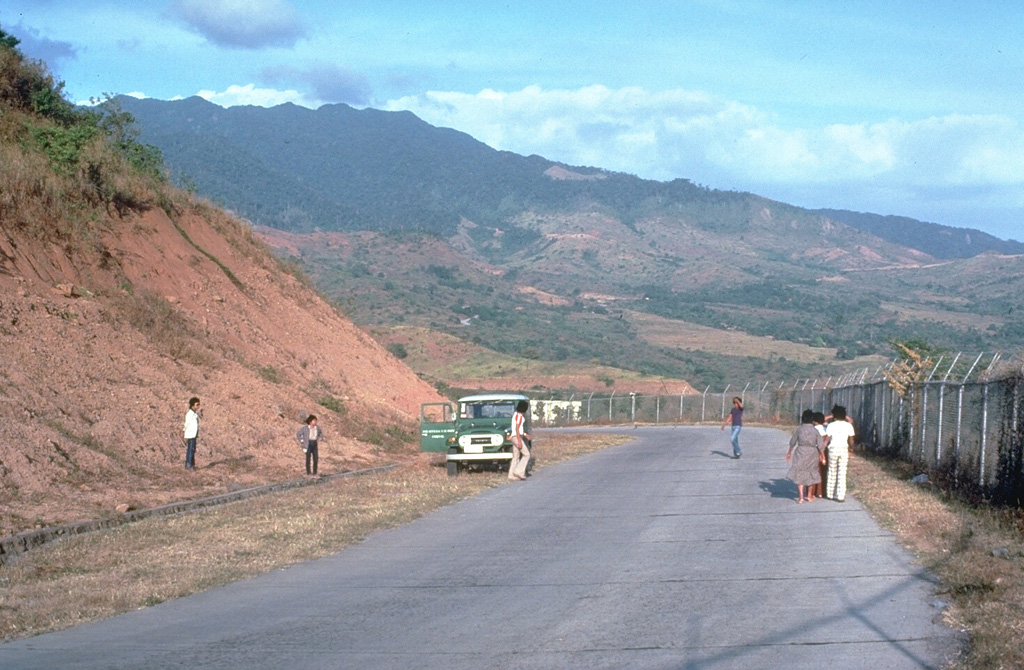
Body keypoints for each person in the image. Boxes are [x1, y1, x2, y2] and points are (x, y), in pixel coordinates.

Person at [787, 409, 825, 503]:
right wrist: (822, 456)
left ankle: (800, 498)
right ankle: (809, 496)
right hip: (812, 452)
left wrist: (789, 452)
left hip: (800, 451)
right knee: (811, 472)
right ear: (812, 420)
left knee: (800, 473)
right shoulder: (815, 430)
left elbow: (792, 442)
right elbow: (820, 445)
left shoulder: (799, 430)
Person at [824, 405, 856, 502]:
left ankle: (829, 493)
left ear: (834, 415)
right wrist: (851, 449)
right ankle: (840, 496)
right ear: (845, 415)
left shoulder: (831, 425)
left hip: (833, 449)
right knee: (842, 472)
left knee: (831, 471)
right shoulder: (848, 425)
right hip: (843, 449)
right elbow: (851, 440)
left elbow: (827, 439)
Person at [508, 400, 531, 481]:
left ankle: (511, 474)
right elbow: (517, 428)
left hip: (514, 436)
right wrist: (519, 441)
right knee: (526, 454)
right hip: (516, 437)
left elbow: (517, 428)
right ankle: (519, 471)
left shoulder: (515, 414)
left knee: (516, 456)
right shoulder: (520, 416)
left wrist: (524, 434)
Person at [182, 397, 201, 470]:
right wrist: (184, 431)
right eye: (197, 405)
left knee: (192, 449)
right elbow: (186, 423)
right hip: (190, 434)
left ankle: (191, 464)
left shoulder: (194, 413)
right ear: (192, 405)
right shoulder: (190, 414)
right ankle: (189, 465)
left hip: (193, 434)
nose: (198, 406)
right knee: (190, 449)